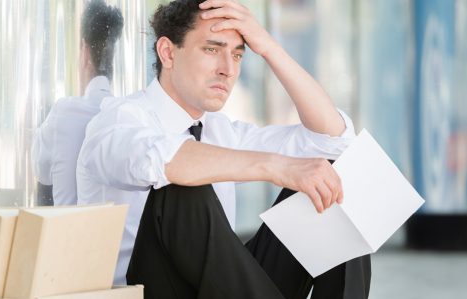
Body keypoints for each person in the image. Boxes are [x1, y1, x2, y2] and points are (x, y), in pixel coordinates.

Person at [76, 0, 370, 298]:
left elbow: (333, 139)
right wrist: (277, 167)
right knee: (181, 186)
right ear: (167, 52)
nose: (228, 70)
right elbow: (167, 159)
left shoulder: (220, 130)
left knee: (327, 180)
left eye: (238, 55)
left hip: (220, 286)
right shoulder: (118, 120)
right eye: (212, 50)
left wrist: (268, 47)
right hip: (146, 290)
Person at [32, 0, 124, 206]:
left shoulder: (63, 113)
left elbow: (41, 172)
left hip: (65, 235)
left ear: (83, 51)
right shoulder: (128, 115)